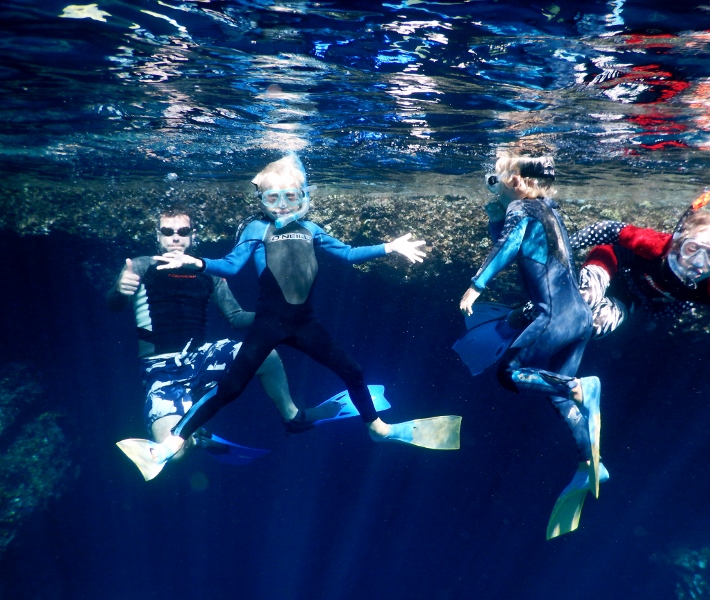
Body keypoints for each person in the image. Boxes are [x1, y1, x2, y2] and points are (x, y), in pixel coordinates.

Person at [117, 155, 461, 481]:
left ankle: (378, 429)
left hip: (303, 324)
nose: (281, 205)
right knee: (231, 387)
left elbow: (348, 253)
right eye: (272, 198)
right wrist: (200, 263)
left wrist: (389, 247)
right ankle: (173, 444)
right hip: (265, 326)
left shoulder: (311, 228)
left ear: (303, 198)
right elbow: (233, 265)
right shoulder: (255, 229)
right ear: (261, 200)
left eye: (290, 197)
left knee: (352, 370)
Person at [109, 207, 341, 465]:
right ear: (159, 235)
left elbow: (236, 317)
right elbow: (114, 305)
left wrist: (275, 313)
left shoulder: (209, 272)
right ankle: (196, 439)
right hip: (160, 371)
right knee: (171, 455)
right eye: (168, 231)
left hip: (201, 358)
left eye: (183, 232)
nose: (175, 237)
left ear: (192, 236)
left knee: (266, 354)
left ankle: (293, 417)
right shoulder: (140, 266)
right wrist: (120, 290)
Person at [455, 155, 605, 539]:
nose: (494, 182)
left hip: (553, 318)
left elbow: (508, 248)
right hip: (580, 318)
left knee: (511, 373)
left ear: (518, 181)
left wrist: (477, 284)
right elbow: (521, 244)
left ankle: (581, 388)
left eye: (498, 177)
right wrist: (495, 213)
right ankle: (591, 460)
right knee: (553, 391)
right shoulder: (547, 209)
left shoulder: (522, 208)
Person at [570, 190, 710, 339]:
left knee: (592, 328)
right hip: (612, 261)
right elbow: (607, 229)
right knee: (586, 298)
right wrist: (566, 247)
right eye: (692, 248)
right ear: (678, 244)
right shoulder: (655, 245)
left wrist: (660, 310)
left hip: (632, 295)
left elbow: (681, 300)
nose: (698, 261)